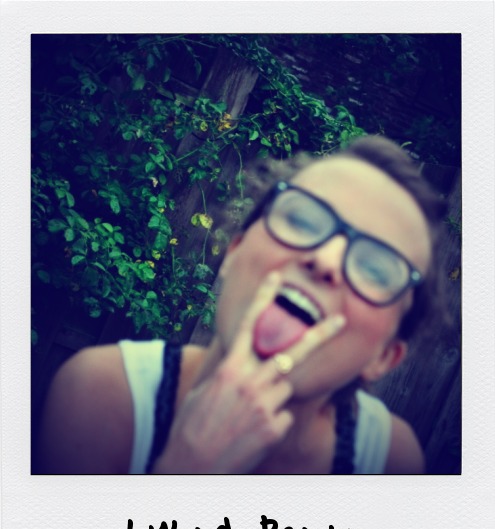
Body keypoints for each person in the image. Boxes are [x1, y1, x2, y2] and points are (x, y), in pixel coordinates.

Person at [36, 135, 447, 475]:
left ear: (384, 356)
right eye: (302, 220)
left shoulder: (392, 462)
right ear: (234, 252)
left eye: (376, 268)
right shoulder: (100, 398)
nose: (325, 260)